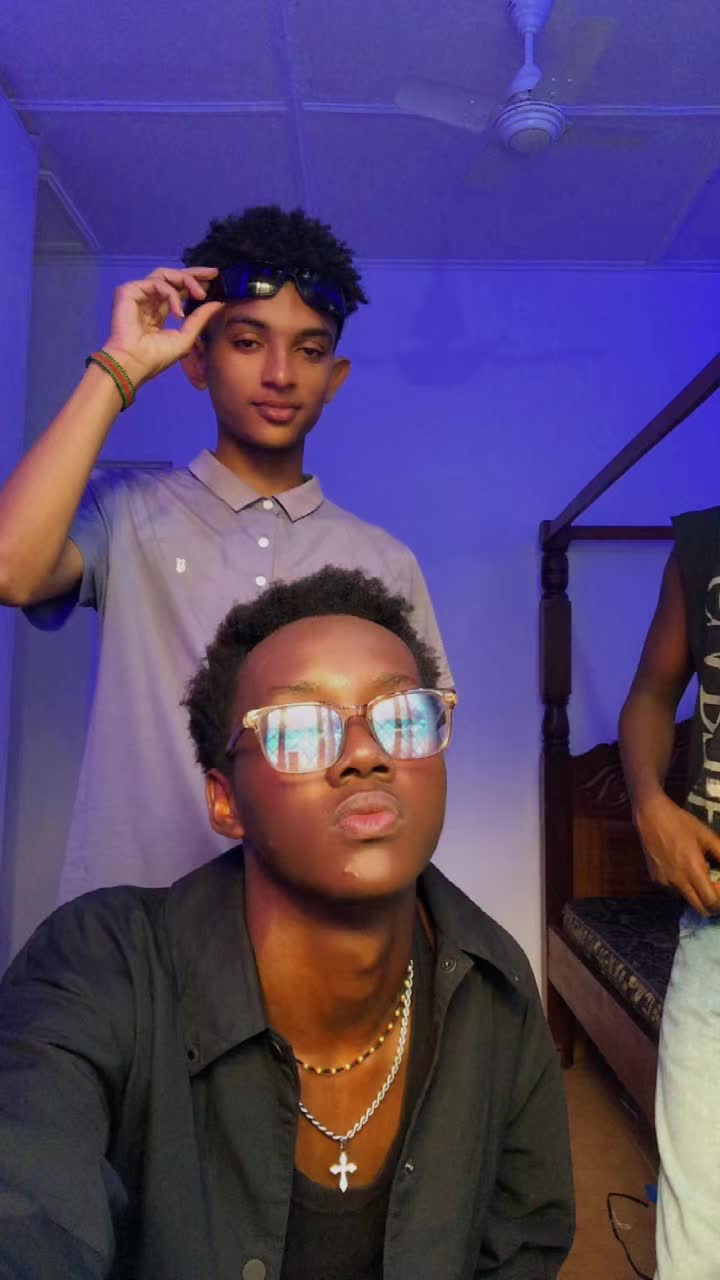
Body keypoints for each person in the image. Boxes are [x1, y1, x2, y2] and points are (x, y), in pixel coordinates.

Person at [0, 567, 573, 1279]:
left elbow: (523, 1248)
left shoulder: (497, 988)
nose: (366, 754)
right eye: (300, 729)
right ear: (226, 802)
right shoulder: (98, 966)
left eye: (402, 716)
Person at [0, 206, 450, 901]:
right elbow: (12, 570)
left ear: (335, 378)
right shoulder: (127, 515)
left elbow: (413, 753)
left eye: (309, 350)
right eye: (247, 342)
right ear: (196, 361)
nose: (280, 373)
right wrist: (119, 367)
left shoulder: (384, 562)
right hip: (133, 919)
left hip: (312, 926)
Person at [619, 511, 720, 1280]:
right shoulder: (704, 545)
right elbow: (653, 695)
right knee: (697, 1243)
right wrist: (650, 804)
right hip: (714, 923)